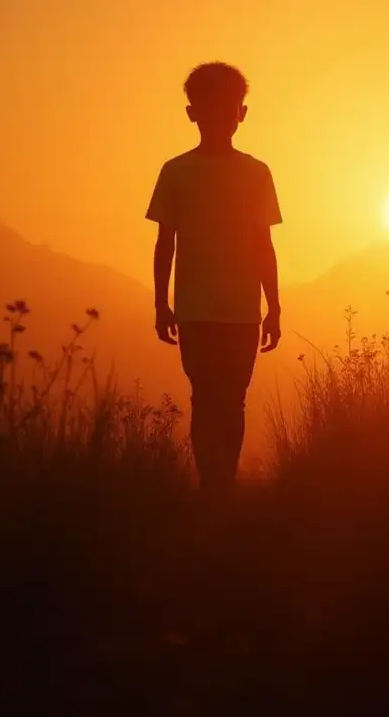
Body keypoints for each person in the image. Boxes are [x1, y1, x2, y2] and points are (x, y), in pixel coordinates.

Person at [145, 62, 283, 498]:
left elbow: (263, 245)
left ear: (241, 113)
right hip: (201, 312)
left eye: (229, 110)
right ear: (193, 114)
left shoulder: (256, 173)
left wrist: (274, 306)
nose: (224, 118)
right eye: (215, 110)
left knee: (224, 400)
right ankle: (215, 487)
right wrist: (160, 303)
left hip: (237, 312)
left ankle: (217, 487)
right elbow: (164, 243)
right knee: (212, 401)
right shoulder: (175, 172)